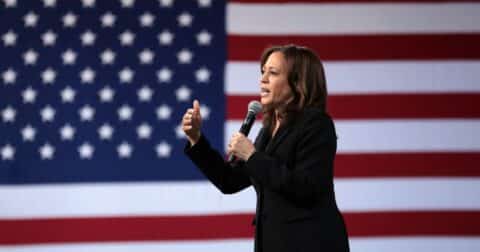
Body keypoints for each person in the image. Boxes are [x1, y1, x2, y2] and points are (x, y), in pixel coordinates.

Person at [182, 44, 349, 252]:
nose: (262, 80)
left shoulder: (317, 124)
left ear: (297, 82)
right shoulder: (268, 130)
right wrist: (196, 139)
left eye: (273, 73)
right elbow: (229, 180)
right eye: (263, 72)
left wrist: (252, 156)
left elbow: (307, 187)